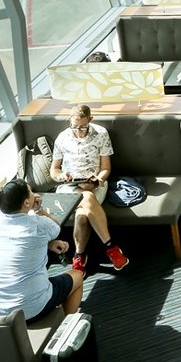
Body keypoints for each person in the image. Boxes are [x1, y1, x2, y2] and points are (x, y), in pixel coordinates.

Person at [0, 179, 85, 321]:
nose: (34, 194)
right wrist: (38, 209)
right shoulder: (39, 225)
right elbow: (55, 228)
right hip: (30, 309)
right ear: (26, 202)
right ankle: (66, 324)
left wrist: (48, 244)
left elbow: (20, 236)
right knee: (77, 276)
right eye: (31, 192)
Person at [51, 105, 129, 271]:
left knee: (82, 215)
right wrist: (61, 176)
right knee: (86, 198)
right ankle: (111, 247)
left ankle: (79, 256)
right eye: (74, 127)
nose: (78, 131)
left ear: (90, 120)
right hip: (69, 186)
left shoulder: (100, 134)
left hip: (95, 184)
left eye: (82, 127)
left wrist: (98, 179)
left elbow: (106, 168)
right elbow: (54, 170)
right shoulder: (62, 138)